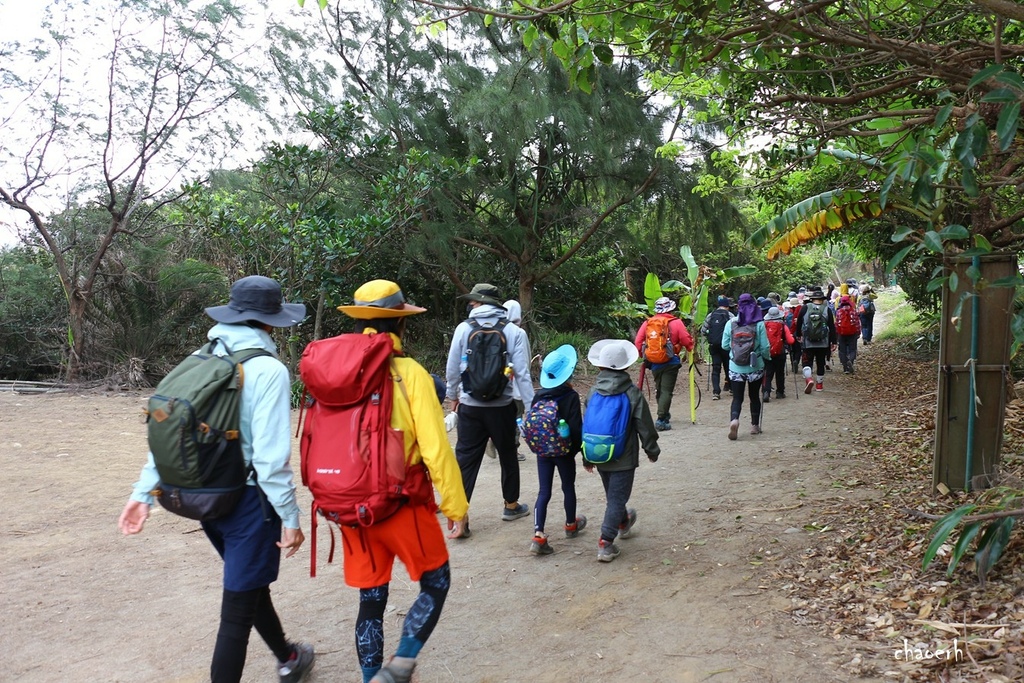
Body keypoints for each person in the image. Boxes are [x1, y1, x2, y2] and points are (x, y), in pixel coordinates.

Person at [118, 275, 314, 683]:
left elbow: (169, 426)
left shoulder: (199, 358)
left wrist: (144, 493)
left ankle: (289, 657)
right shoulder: (267, 370)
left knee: (249, 584)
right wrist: (292, 518)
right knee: (236, 612)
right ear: (271, 322)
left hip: (204, 498)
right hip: (248, 506)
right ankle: (283, 660)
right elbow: (270, 460)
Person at [334, 279, 470, 683]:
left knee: (371, 598)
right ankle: (399, 666)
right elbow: (435, 448)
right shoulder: (409, 373)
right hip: (400, 502)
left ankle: (369, 677)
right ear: (401, 324)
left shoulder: (340, 371)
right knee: (437, 581)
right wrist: (455, 505)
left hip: (352, 503)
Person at [445, 283, 535, 534]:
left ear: (479, 303)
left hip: (470, 406)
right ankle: (511, 504)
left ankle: (461, 517)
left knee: (465, 459)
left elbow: (453, 368)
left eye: (473, 301)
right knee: (508, 454)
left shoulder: (463, 329)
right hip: (502, 405)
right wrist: (530, 407)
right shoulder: (513, 331)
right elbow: (522, 373)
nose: (471, 304)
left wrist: (453, 395)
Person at [583, 339, 661, 562]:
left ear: (600, 367)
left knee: (614, 495)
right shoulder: (632, 393)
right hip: (623, 457)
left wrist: (586, 458)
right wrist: (651, 449)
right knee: (616, 499)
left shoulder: (592, 392)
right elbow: (644, 424)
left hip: (597, 454)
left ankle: (624, 520)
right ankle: (606, 542)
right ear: (626, 367)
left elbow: (586, 424)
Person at [528, 344, 586, 555]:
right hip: (563, 453)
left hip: (543, 452)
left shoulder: (539, 396)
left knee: (544, 491)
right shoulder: (570, 397)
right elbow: (576, 429)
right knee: (567, 486)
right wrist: (580, 452)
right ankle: (570, 524)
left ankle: (538, 533)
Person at [633, 296, 694, 431]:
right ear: (671, 308)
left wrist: (642, 354)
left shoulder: (648, 323)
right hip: (670, 361)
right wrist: (690, 347)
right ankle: (661, 419)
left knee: (659, 388)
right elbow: (685, 339)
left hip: (654, 361)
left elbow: (638, 341)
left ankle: (664, 413)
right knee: (666, 390)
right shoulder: (676, 322)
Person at [722, 293, 771, 439]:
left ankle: (735, 420)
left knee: (737, 398)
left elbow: (724, 345)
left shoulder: (731, 323)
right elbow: (765, 346)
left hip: (735, 367)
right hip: (755, 367)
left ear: (738, 306)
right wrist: (766, 359)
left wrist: (735, 351)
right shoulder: (759, 323)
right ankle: (755, 425)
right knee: (754, 396)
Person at [795, 286, 837, 393]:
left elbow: (799, 322)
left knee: (806, 362)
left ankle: (809, 379)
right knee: (820, 362)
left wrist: (798, 335)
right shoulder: (827, 310)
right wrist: (834, 342)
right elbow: (832, 327)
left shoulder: (805, 308)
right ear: (823, 299)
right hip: (823, 342)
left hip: (808, 341)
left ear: (812, 299)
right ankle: (819, 385)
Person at [701, 296, 734, 400]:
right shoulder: (730, 315)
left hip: (713, 346)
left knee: (716, 368)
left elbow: (703, 330)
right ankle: (732, 388)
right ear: (727, 306)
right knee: (728, 367)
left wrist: (709, 335)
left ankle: (716, 392)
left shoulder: (711, 315)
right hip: (726, 346)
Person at [762, 306, 795, 401]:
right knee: (780, 373)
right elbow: (790, 341)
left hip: (767, 353)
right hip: (780, 352)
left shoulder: (764, 325)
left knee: (767, 373)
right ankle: (780, 392)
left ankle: (766, 392)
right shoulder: (783, 325)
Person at [835, 294, 862, 373]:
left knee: (842, 350)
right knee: (852, 349)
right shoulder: (853, 311)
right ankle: (851, 360)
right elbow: (857, 323)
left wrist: (836, 334)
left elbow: (836, 324)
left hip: (841, 333)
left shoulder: (839, 312)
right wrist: (858, 332)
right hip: (852, 333)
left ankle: (845, 367)